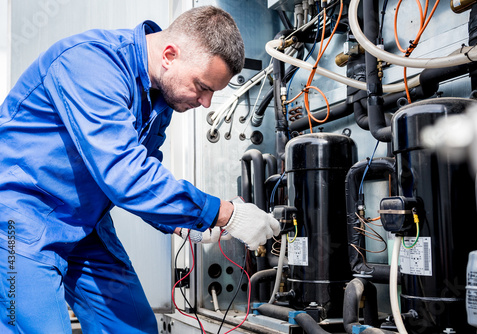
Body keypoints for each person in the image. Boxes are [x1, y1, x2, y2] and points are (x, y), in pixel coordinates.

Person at [0, 5, 280, 334]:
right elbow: (126, 176)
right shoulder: (90, 65)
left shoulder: (159, 98)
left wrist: (180, 224)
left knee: (135, 326)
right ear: (170, 55)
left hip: (85, 225)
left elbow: (146, 173)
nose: (206, 102)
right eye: (202, 86)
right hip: (19, 222)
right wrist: (225, 213)